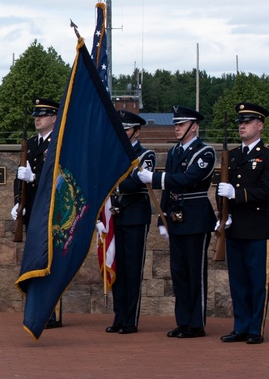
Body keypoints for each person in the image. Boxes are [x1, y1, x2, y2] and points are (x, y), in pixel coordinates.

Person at [138, 105, 217, 339]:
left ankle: (196, 323)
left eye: (181, 124)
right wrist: (163, 218)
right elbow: (169, 190)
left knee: (195, 272)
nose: (176, 128)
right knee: (179, 273)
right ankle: (183, 322)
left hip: (196, 218)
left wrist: (155, 178)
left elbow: (187, 179)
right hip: (176, 218)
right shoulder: (174, 153)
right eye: (175, 124)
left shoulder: (205, 153)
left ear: (194, 126)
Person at [215, 103, 269, 344]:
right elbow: (221, 190)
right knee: (237, 281)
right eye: (240, 122)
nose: (242, 126)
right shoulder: (234, 155)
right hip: (235, 227)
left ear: (260, 125)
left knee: (257, 281)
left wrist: (236, 193)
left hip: (257, 228)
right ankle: (241, 326)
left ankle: (255, 328)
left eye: (247, 122)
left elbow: (264, 191)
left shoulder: (266, 156)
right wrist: (223, 214)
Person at [11, 97, 63, 328]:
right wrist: (18, 203)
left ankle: (52, 313)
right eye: (36, 115)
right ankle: (37, 309)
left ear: (54, 118)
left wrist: (34, 179)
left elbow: (61, 180)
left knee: (50, 262)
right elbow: (19, 177)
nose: (37, 119)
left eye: (42, 115)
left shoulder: (59, 144)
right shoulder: (31, 144)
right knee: (34, 259)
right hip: (32, 211)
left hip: (51, 212)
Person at [102, 110, 155, 335]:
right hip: (115, 216)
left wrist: (114, 182)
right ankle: (119, 317)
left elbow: (135, 184)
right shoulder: (113, 154)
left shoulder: (146, 155)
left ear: (136, 131)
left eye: (126, 129)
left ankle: (130, 320)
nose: (122, 133)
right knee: (118, 268)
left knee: (132, 270)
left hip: (134, 217)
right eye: (120, 129)